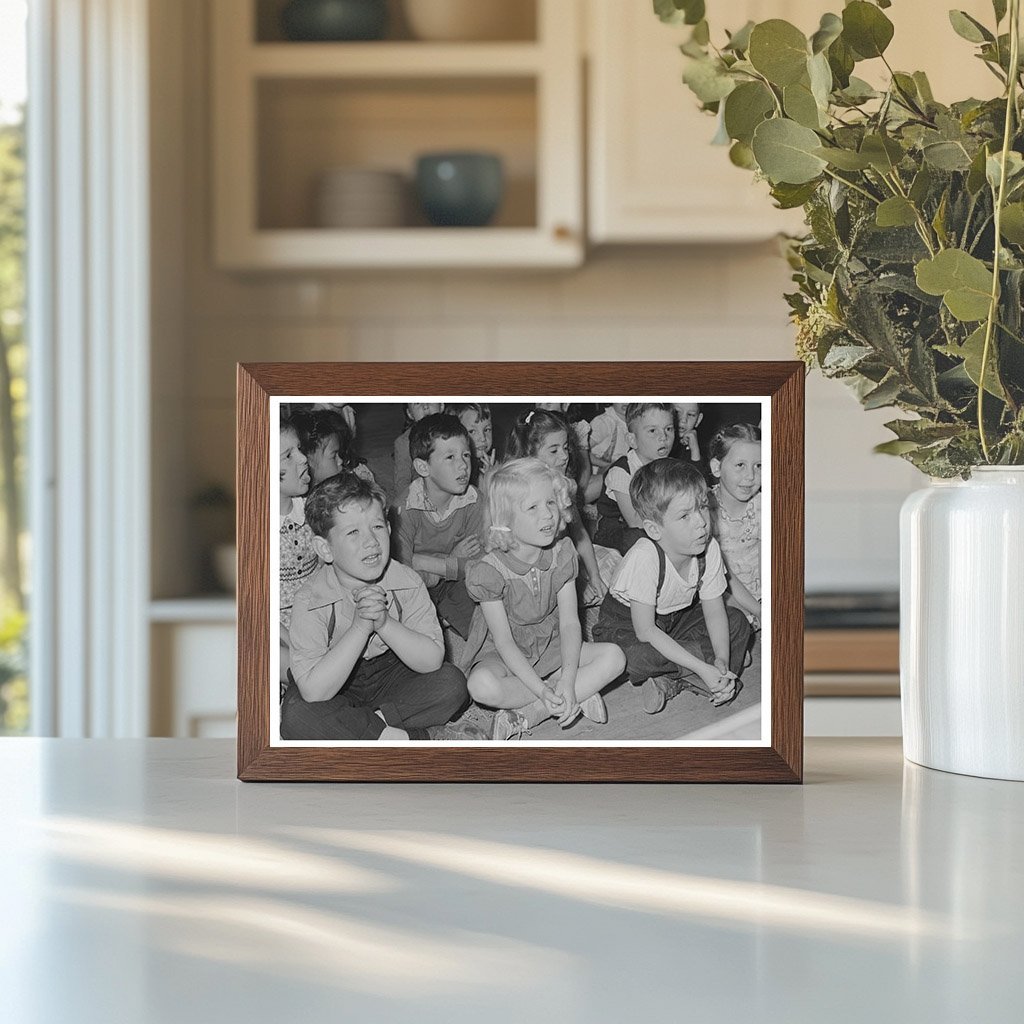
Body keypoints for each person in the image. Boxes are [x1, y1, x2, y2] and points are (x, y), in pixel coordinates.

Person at [284, 472, 474, 741]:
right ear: (325, 549)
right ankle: (410, 738)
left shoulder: (407, 581)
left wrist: (385, 623)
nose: (371, 542)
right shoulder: (309, 599)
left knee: (452, 684)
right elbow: (315, 691)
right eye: (353, 532)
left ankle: (367, 731)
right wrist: (360, 627)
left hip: (391, 670)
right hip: (333, 677)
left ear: (389, 527)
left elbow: (431, 660)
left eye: (377, 527)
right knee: (296, 716)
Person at [465, 458, 625, 741]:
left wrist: (566, 678)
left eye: (551, 503)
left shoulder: (562, 553)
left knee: (615, 657)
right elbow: (503, 641)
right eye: (533, 507)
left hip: (552, 642)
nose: (548, 515)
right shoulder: (489, 570)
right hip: (506, 653)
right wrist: (542, 688)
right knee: (480, 686)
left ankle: (531, 713)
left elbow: (569, 625)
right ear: (506, 519)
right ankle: (572, 695)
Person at [594, 458, 751, 715]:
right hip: (628, 623)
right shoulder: (645, 555)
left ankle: (682, 678)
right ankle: (697, 673)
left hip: (677, 618)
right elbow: (645, 631)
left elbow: (713, 611)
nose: (701, 522)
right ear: (654, 529)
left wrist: (721, 659)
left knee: (737, 621)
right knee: (634, 657)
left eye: (702, 507)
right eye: (684, 516)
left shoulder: (707, 547)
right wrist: (703, 666)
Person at [394, 412, 484, 641]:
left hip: (452, 581)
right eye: (450, 457)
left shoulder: (473, 499)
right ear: (423, 468)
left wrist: (423, 561)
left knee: (487, 590)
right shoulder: (404, 509)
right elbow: (402, 572)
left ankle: (444, 615)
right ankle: (439, 616)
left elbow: (477, 564)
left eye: (466, 455)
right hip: (417, 585)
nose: (463, 465)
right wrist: (448, 563)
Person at [505, 408, 609, 606]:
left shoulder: (564, 486)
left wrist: (594, 575)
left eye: (566, 447)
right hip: (529, 567)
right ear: (530, 455)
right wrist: (576, 582)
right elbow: (526, 555)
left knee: (614, 568)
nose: (564, 456)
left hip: (561, 557)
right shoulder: (519, 495)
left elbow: (580, 536)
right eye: (554, 450)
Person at [593, 402, 675, 553]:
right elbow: (635, 521)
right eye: (652, 431)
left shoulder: (669, 467)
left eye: (668, 429)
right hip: (618, 531)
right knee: (639, 539)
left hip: (655, 525)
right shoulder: (621, 471)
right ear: (632, 440)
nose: (663, 437)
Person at [708, 423, 762, 622]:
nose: (750, 476)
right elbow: (719, 573)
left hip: (761, 589)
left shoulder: (763, 505)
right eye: (740, 465)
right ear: (717, 467)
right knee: (732, 621)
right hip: (723, 588)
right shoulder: (704, 508)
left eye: (759, 466)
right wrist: (757, 610)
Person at [279, 418, 316, 692]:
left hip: (315, 610)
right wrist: (292, 640)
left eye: (299, 449)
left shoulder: (311, 509)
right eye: (288, 455)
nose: (304, 458)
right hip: (276, 626)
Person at [291, 407, 375, 487]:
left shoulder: (350, 483)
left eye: (339, 454)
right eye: (334, 456)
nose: (340, 461)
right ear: (308, 459)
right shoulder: (296, 496)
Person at [393, 402, 444, 497]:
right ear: (410, 414)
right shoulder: (404, 443)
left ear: (441, 405)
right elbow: (402, 482)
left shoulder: (455, 435)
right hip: (422, 495)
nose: (425, 406)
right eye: (417, 403)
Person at [447, 402, 496, 484]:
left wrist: (492, 478)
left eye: (486, 430)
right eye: (472, 431)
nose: (483, 438)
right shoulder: (451, 468)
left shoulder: (493, 466)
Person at [672, 402, 711, 481]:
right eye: (677, 412)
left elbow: (700, 486)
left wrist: (695, 452)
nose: (683, 420)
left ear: (698, 420)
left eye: (690, 415)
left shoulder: (691, 449)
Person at [589, 402, 630, 472]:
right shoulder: (604, 422)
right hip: (598, 473)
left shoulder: (634, 422)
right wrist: (606, 465)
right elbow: (580, 452)